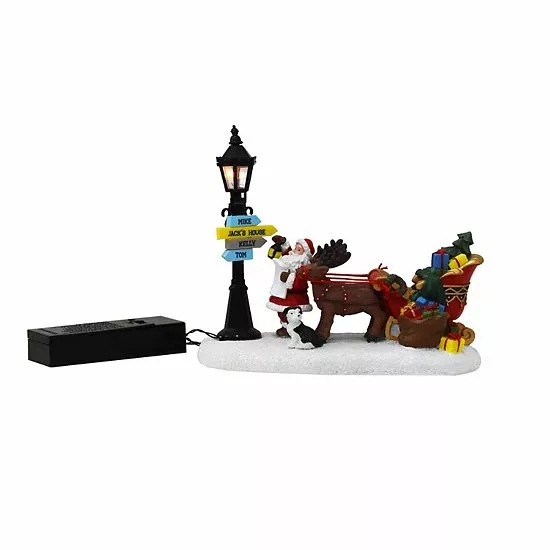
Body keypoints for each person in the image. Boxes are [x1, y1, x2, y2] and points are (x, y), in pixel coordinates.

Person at [266, 236, 315, 337]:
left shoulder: (302, 266)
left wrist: (290, 280)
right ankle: (285, 327)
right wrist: (283, 242)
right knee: (281, 311)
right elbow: (286, 252)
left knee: (292, 313)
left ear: (304, 254)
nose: (295, 250)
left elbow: (301, 283)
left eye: (299, 249)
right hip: (281, 292)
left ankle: (292, 328)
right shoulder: (289, 258)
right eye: (295, 247)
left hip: (294, 296)